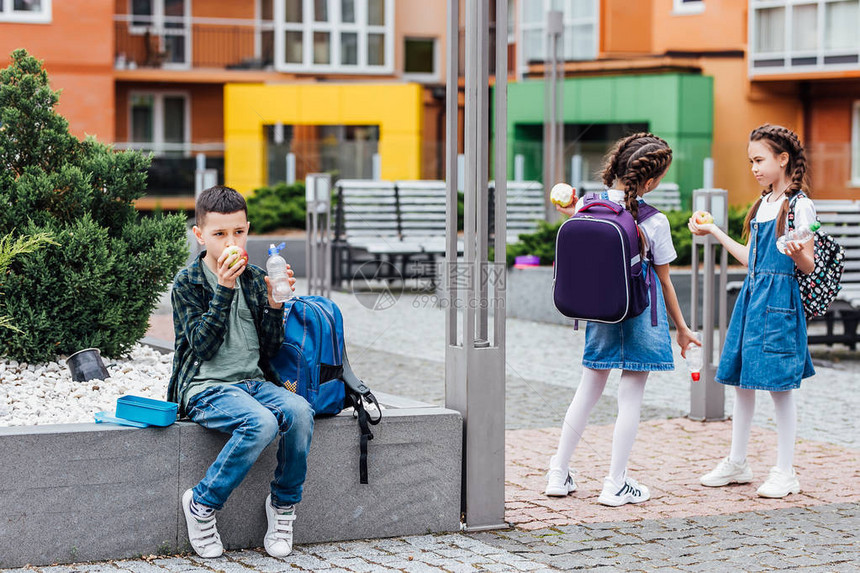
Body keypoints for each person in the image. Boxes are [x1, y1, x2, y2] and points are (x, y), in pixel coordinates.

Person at [545, 133, 699, 505]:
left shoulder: (587, 204)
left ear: (613, 166)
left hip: (600, 313)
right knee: (630, 396)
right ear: (648, 182)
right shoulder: (655, 221)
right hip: (641, 315)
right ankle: (615, 482)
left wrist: (574, 208)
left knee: (587, 391)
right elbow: (664, 280)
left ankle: (558, 472)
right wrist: (682, 329)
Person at [166, 185, 314, 558]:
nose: (230, 241)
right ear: (200, 235)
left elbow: (271, 348)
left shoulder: (255, 277)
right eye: (219, 234)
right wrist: (225, 288)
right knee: (261, 423)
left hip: (253, 382)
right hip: (205, 387)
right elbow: (202, 346)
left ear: (247, 229)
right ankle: (202, 503)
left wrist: (275, 305)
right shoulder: (188, 283)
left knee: (299, 412)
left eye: (238, 232)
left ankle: (282, 507)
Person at [689, 124, 815, 498]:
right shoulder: (762, 204)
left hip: (779, 302)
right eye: (751, 161)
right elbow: (752, 258)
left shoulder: (800, 205)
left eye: (759, 160)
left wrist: (798, 253)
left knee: (779, 386)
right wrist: (715, 233)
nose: (754, 168)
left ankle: (785, 471)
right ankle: (737, 461)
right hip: (753, 296)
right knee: (742, 380)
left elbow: (807, 264)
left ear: (783, 159)